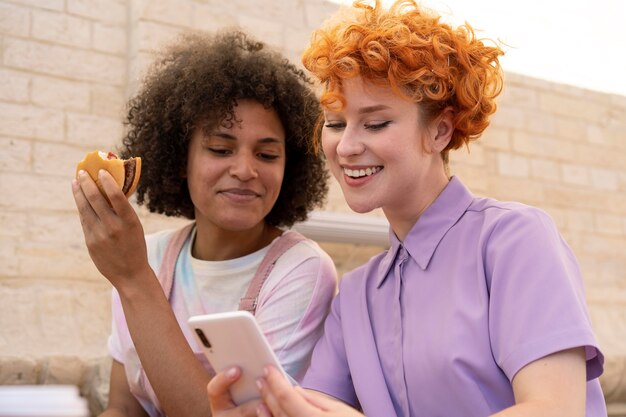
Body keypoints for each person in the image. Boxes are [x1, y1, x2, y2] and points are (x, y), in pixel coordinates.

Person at [207, 1, 607, 416]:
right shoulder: (356, 297)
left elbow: (554, 409)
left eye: (376, 123)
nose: (346, 148)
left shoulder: (514, 241)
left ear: (439, 130)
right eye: (336, 123)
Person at [72, 29, 338, 417]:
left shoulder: (301, 271)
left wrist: (133, 279)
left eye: (266, 154)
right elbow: (125, 407)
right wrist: (133, 274)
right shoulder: (151, 255)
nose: (245, 170)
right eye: (220, 149)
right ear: (181, 159)